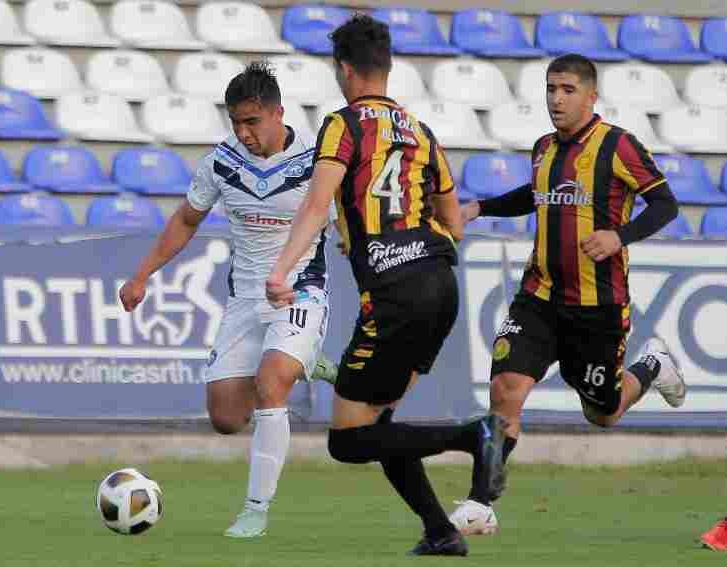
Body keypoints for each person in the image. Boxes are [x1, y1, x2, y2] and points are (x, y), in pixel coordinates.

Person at [265, 14, 507, 557]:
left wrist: (281, 269)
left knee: (348, 441)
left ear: (345, 71)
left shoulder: (342, 125)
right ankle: (441, 531)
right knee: (379, 421)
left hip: (395, 294)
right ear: (386, 68)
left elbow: (316, 200)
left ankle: (473, 435)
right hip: (441, 286)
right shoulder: (421, 131)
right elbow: (454, 221)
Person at [451, 53, 687, 536]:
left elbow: (665, 203)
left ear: (590, 96)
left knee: (603, 413)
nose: (556, 99)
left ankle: (652, 366)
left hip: (597, 308)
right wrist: (478, 207)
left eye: (567, 90)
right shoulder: (543, 148)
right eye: (551, 89)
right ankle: (480, 504)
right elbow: (532, 193)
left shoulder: (618, 145)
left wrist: (620, 236)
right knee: (505, 389)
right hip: (539, 298)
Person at [119, 62, 337, 539]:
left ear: (278, 113)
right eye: (235, 122)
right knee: (225, 417)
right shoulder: (222, 162)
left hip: (301, 290)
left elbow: (343, 230)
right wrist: (141, 276)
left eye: (251, 121)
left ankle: (255, 509)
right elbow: (185, 220)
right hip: (244, 300)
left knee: (271, 382)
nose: (243, 132)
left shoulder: (315, 163)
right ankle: (309, 360)